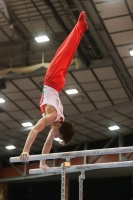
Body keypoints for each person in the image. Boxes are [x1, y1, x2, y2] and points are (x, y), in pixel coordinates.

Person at [20, 11, 88, 170]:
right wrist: (25, 150)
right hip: (52, 80)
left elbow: (48, 143)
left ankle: (81, 28)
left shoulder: (58, 121)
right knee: (65, 49)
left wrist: (43, 163)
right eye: (58, 134)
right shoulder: (52, 117)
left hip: (58, 83)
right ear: (59, 126)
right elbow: (35, 130)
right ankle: (80, 25)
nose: (54, 136)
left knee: (69, 53)